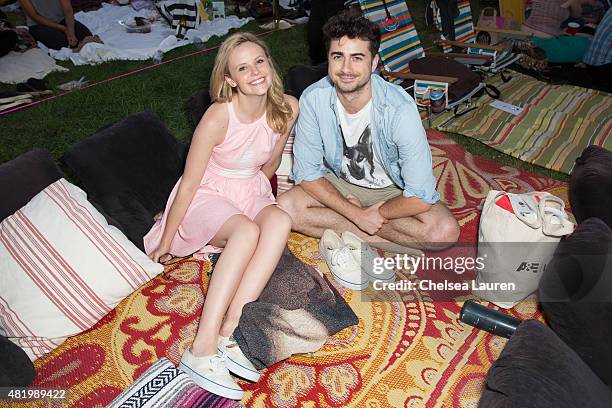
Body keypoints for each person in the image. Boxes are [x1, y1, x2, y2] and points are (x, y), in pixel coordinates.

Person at [143, 32, 298, 400]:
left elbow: (271, 164)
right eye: (242, 68)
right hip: (207, 194)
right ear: (230, 79)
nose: (255, 73)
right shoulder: (218, 116)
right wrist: (166, 238)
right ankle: (201, 349)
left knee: (279, 221)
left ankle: (230, 332)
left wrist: (267, 200)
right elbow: (190, 183)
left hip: (248, 188)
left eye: (259, 61)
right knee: (245, 232)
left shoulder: (288, 106)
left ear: (269, 63)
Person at [277, 9, 460, 255]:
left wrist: (377, 213)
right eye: (338, 56)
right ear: (328, 59)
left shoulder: (399, 109)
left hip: (392, 189)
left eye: (357, 57)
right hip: (341, 183)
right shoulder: (313, 98)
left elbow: (420, 196)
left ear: (373, 63)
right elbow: (307, 173)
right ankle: (376, 239)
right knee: (286, 206)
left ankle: (357, 230)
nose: (346, 68)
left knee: (444, 232)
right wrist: (355, 213)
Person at [19, 0, 99, 50]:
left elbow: (68, 10)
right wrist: (64, 29)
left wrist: (71, 31)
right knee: (61, 43)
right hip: (39, 24)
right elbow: (35, 16)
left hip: (61, 19)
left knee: (85, 35)